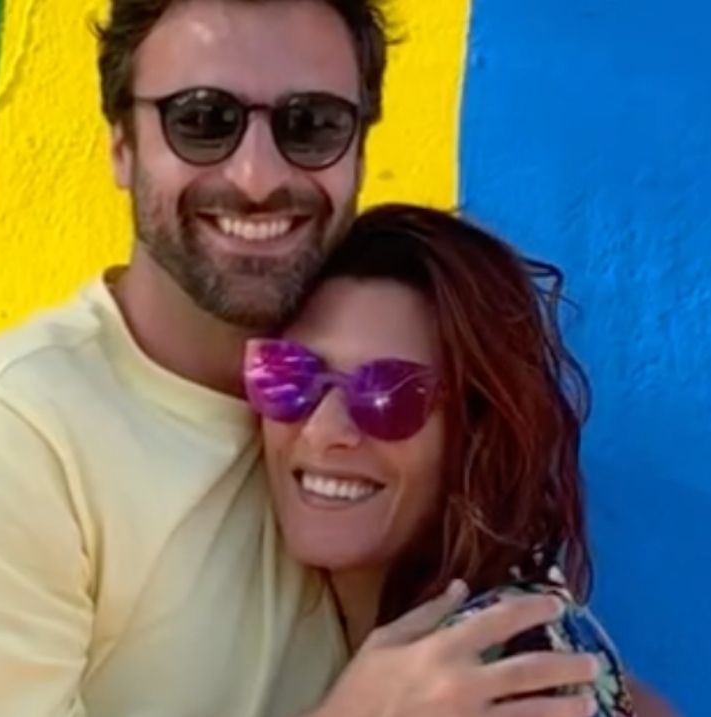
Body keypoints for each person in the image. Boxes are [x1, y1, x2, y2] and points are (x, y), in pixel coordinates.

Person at [0, 1, 607, 715]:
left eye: (310, 125)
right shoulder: (1, 439)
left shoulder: (347, 420)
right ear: (121, 146)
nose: (257, 176)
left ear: (356, 153)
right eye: (201, 121)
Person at [247, 203, 679, 717]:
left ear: (474, 433)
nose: (323, 429)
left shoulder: (505, 672)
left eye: (390, 394)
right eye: (288, 375)